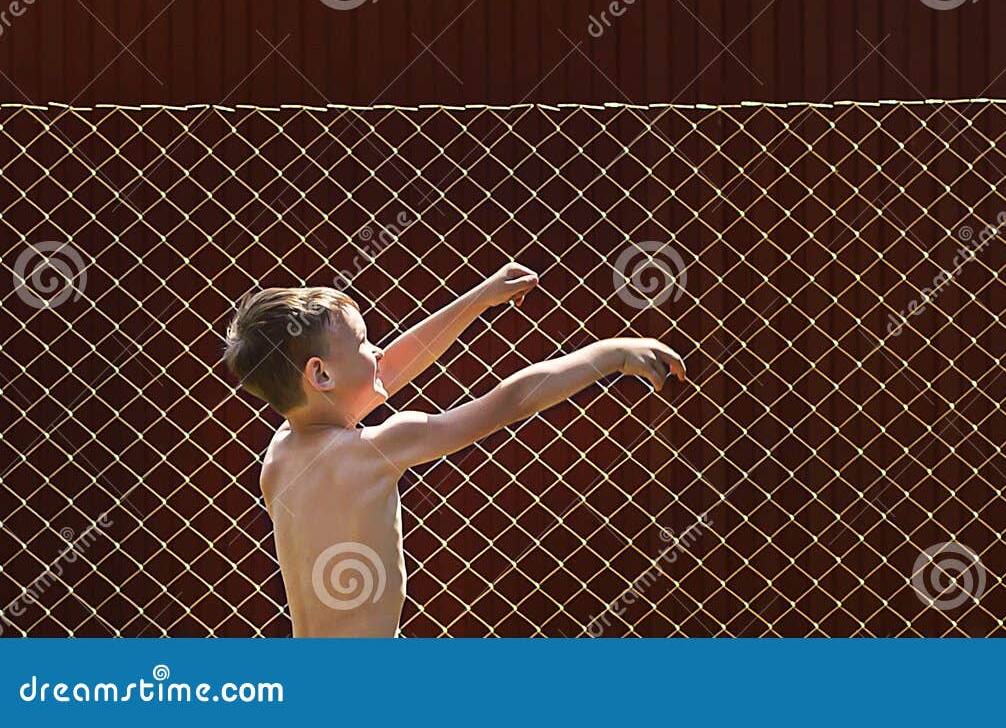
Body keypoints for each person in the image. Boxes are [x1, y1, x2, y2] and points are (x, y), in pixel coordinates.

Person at [221, 265, 687, 636]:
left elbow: (391, 367)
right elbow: (504, 403)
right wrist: (609, 354)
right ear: (321, 375)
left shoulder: (283, 452)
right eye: (364, 343)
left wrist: (477, 299)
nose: (380, 351)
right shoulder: (377, 449)